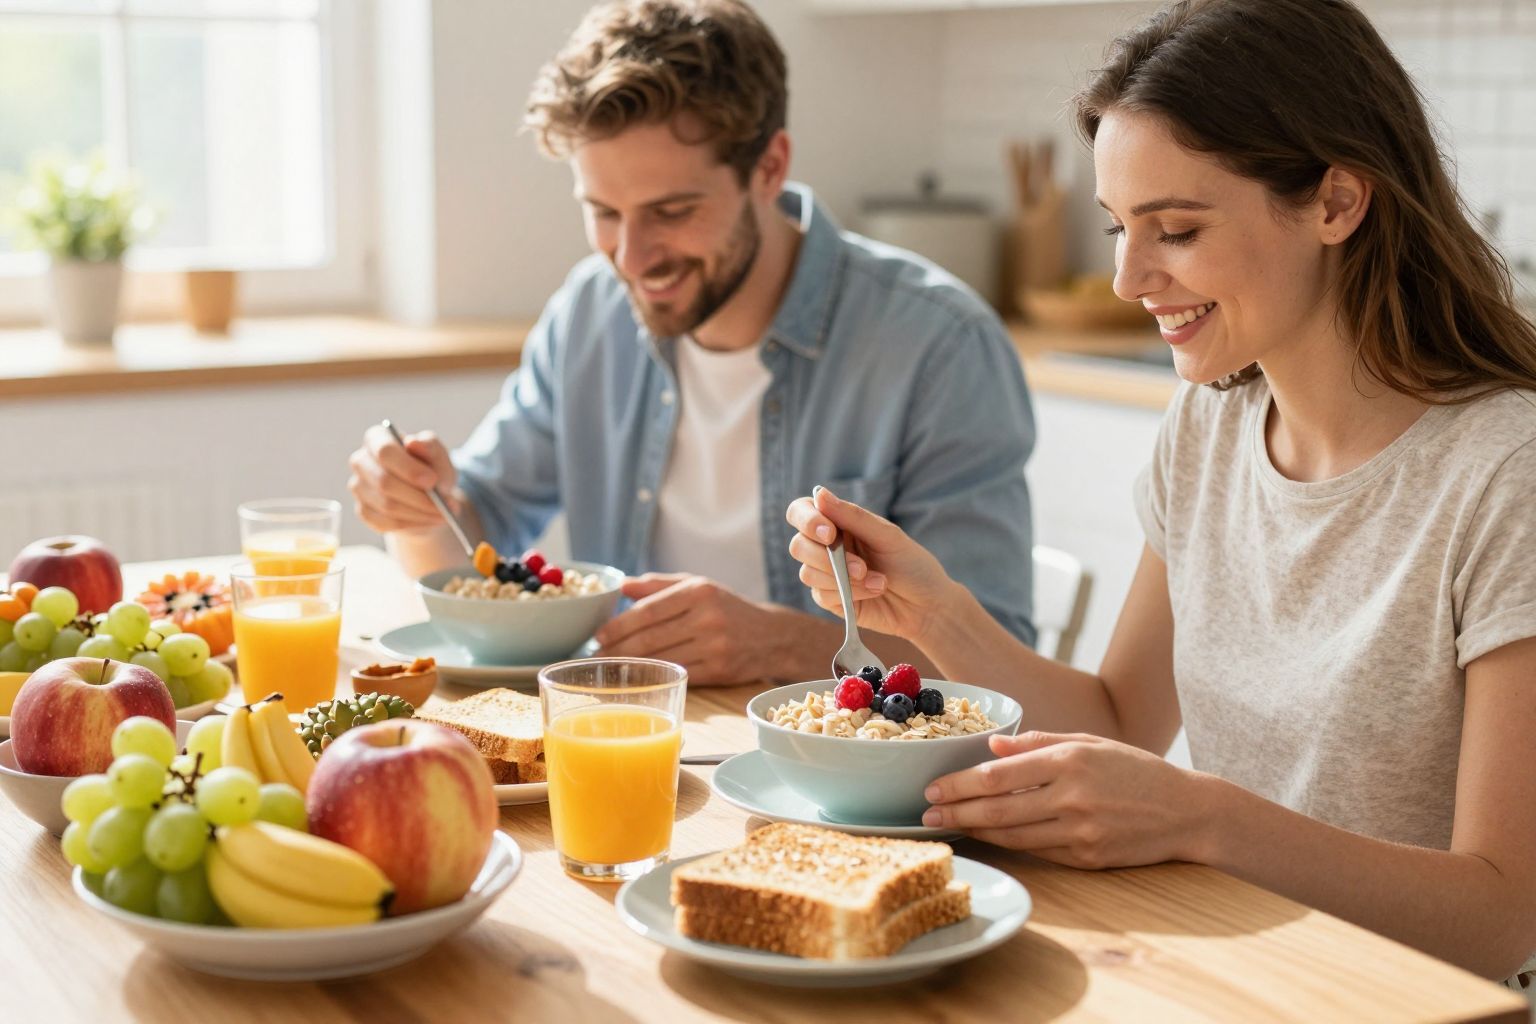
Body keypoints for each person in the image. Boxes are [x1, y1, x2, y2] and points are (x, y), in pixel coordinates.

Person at [786, 0, 1536, 988]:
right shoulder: (1212, 426)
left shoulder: (1503, 472)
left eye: (1174, 229)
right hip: (1234, 965)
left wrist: (1199, 816)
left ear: (1336, 203)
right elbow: (1115, 720)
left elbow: (1498, 917)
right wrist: (931, 610)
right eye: (1118, 228)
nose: (1128, 276)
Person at [346, 0, 1037, 685]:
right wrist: (412, 506)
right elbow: (471, 552)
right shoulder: (591, 311)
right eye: (604, 213)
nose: (633, 257)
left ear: (769, 168)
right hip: (631, 741)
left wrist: (785, 645)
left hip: (844, 783)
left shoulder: (939, 347)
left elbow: (998, 670)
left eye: (671, 212)